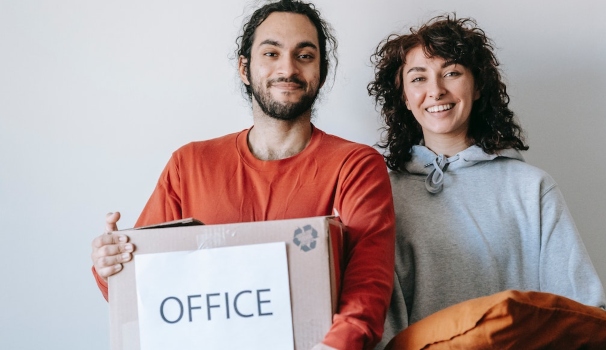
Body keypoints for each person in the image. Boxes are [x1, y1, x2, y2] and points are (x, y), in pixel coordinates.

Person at [89, 1, 395, 349]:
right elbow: (143, 292)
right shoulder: (189, 164)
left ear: (321, 72)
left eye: (305, 55)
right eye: (271, 53)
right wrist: (110, 265)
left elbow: (367, 289)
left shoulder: (356, 165)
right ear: (245, 68)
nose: (288, 68)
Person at [367, 15, 606, 346]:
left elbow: (583, 312)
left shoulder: (531, 188)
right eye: (418, 78)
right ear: (404, 97)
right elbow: (379, 322)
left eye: (451, 73)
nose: (435, 90)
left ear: (477, 86)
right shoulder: (382, 196)